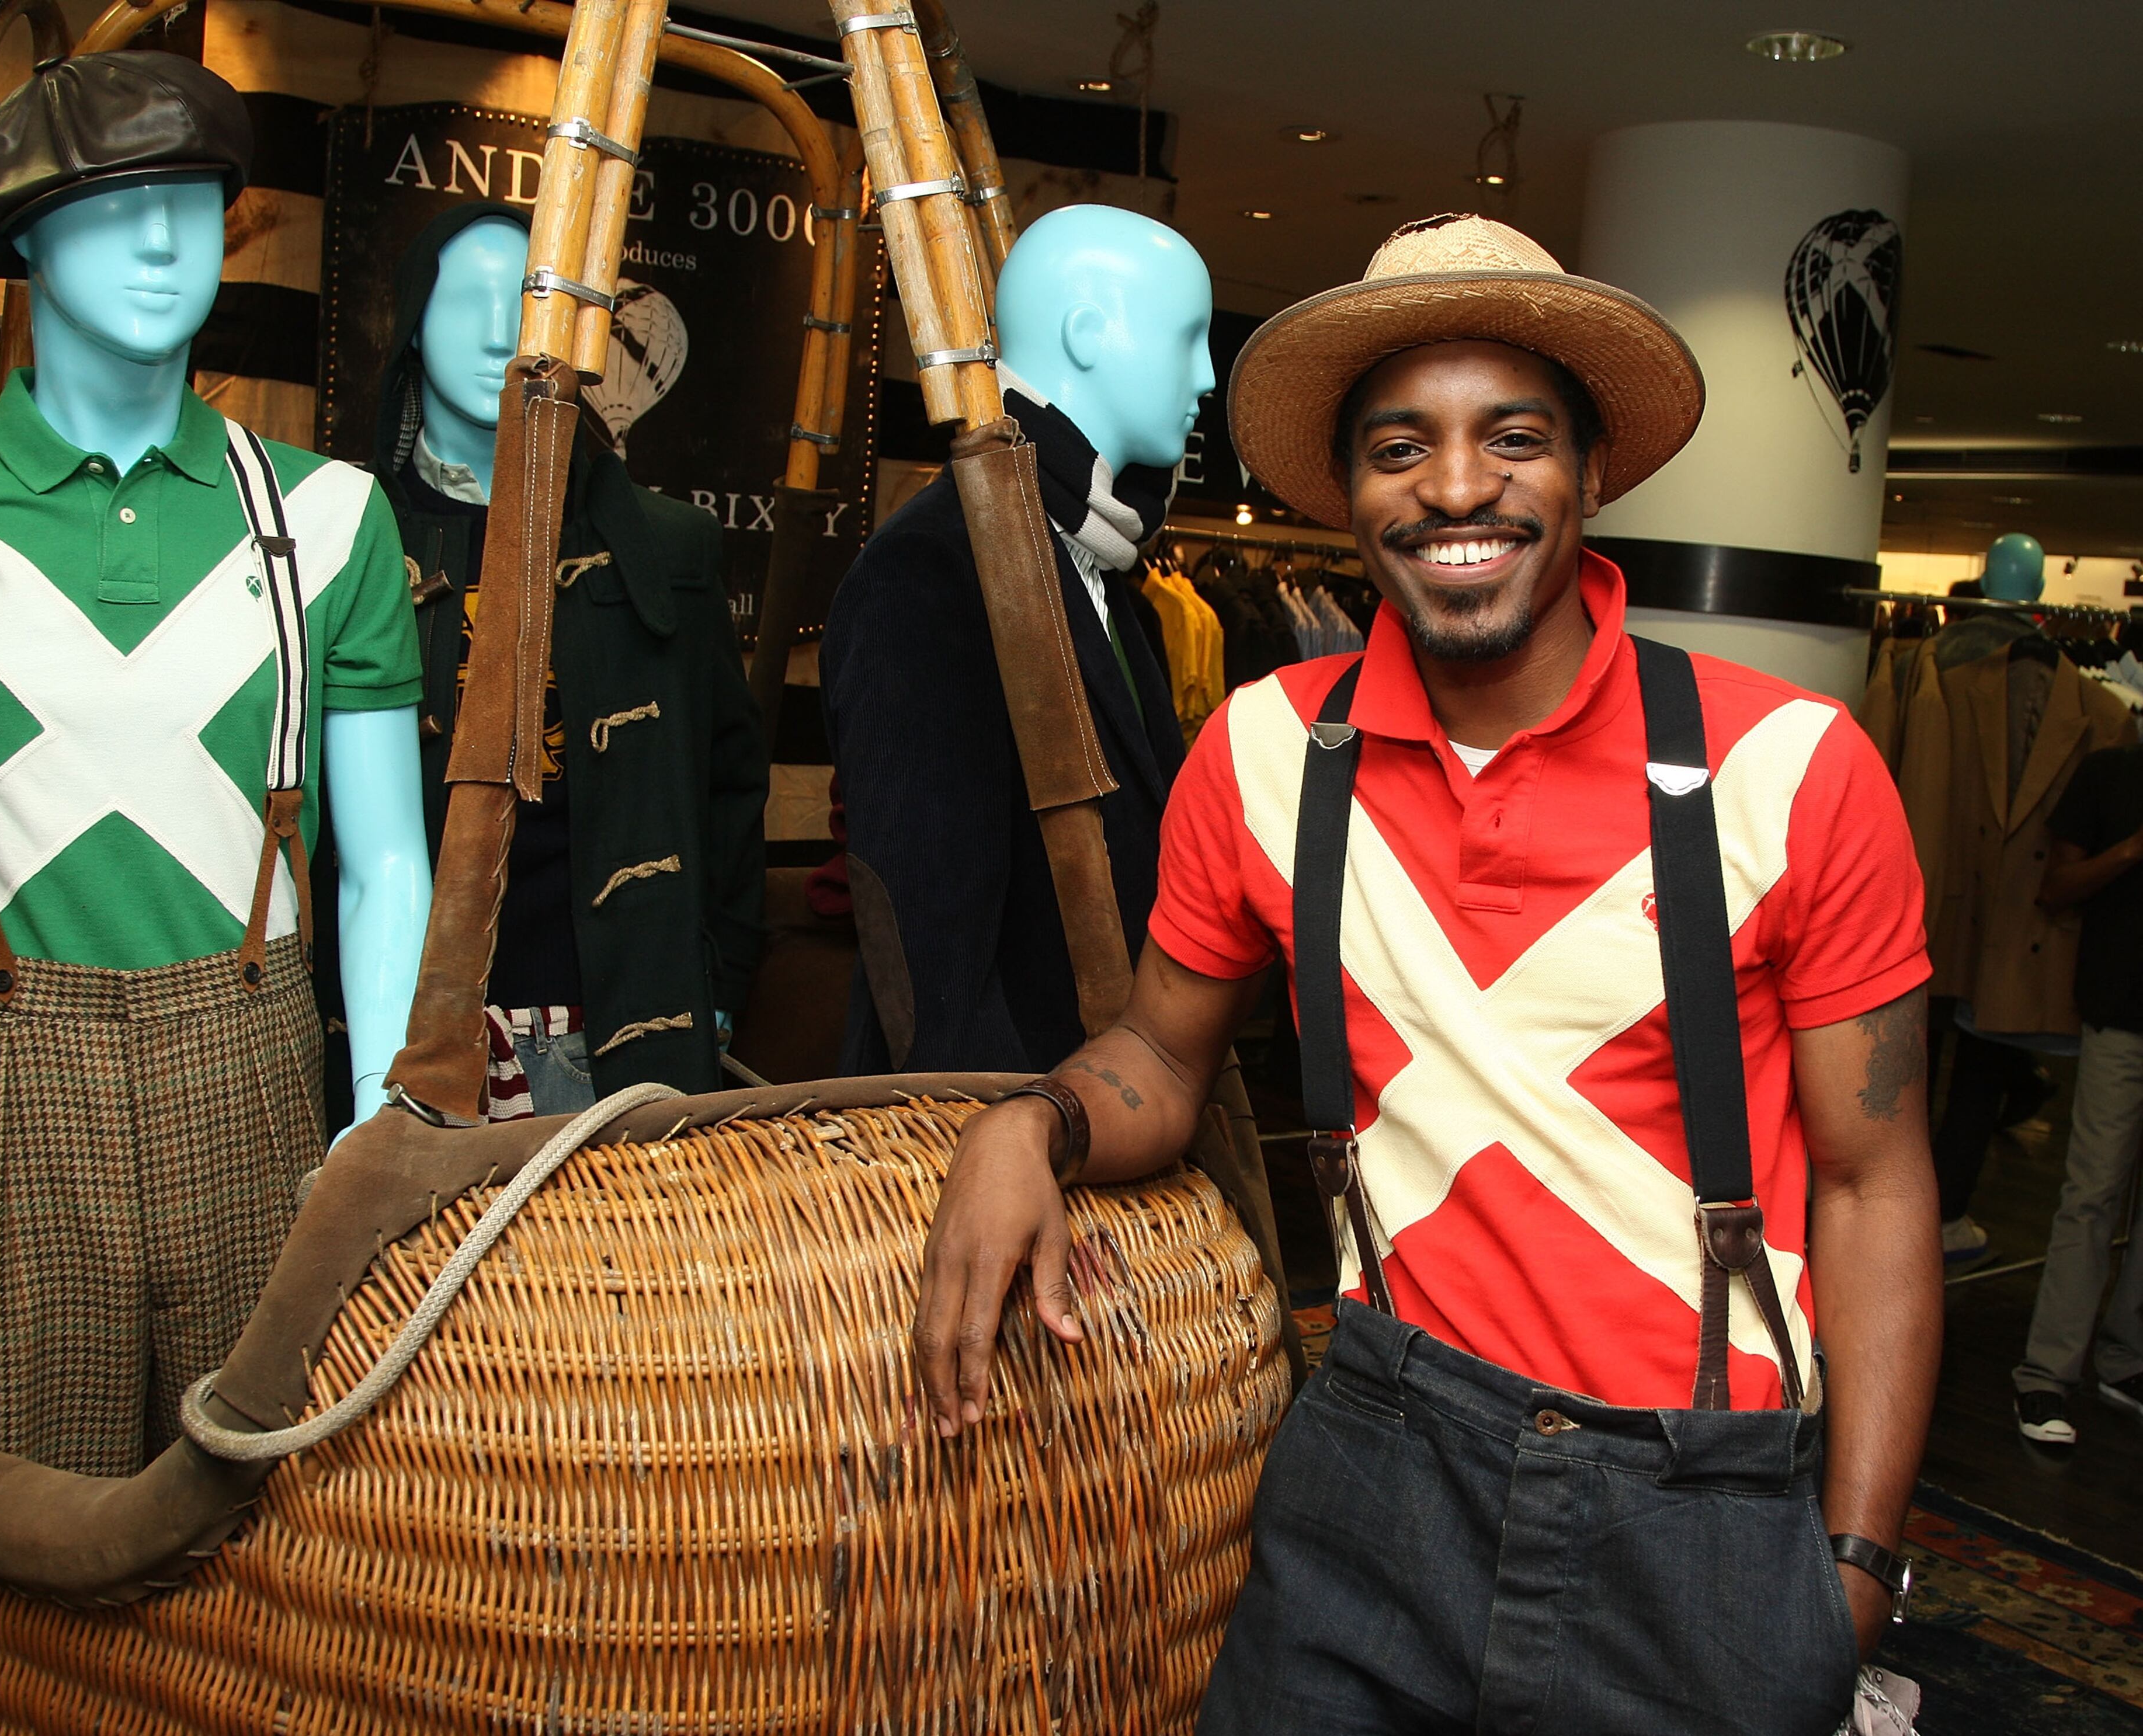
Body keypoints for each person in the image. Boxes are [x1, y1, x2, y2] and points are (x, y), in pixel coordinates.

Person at [912, 215, 1942, 1735]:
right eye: (1403, 445)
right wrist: (1029, 1123)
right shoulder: (1264, 752)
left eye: (1511, 436)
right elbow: (1162, 1055)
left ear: (1591, 472)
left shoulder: (1789, 768)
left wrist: (1850, 1569)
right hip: (1379, 1468)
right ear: (1350, 495)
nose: (1458, 485)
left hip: (1699, 1494)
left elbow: (1876, 1183)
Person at [0, 54, 430, 1476]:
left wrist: (383, 1122)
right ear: (22, 238)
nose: (162, 241)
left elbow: (386, 861)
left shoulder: (330, 520)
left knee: (259, 1536)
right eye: (111, 202)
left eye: (193, 200)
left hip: (254, 1077)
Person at [373, 203, 766, 1109]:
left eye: (525, 298)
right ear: (411, 324)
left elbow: (728, 786)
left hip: (623, 1021)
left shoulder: (668, 550)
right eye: (459, 298)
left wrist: (719, 985)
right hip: (409, 1028)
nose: (497, 330)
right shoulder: (353, 542)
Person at [821, 205, 1207, 1074]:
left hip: (1111, 1127)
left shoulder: (1110, 581)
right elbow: (928, 959)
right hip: (1003, 1151)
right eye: (1188, 339)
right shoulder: (931, 575)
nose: (1208, 377)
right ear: (1087, 334)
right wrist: (1020, 1148)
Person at [2013, 741, 2143, 1445]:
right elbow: (2055, 887)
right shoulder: (2111, 771)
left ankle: (2127, 1361)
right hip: (2122, 1016)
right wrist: (2131, 850)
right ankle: (2045, 1376)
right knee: (2092, 1194)